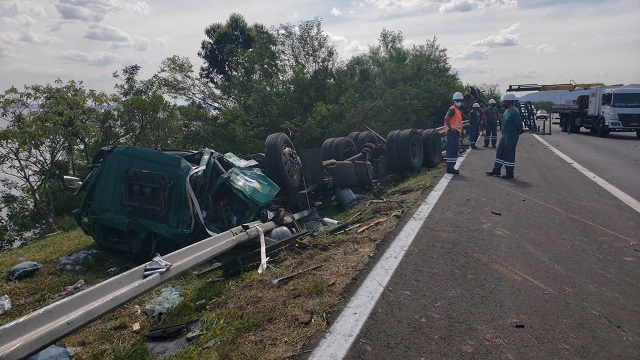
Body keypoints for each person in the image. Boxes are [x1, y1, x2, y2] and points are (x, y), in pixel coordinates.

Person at [486, 93, 524, 179]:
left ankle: (509, 173)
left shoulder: (514, 112)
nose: (503, 103)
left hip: (511, 137)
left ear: (509, 102)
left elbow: (519, 125)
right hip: (504, 136)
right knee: (500, 152)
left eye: (504, 102)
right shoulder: (506, 111)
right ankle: (496, 170)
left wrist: (517, 133)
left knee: (509, 154)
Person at [443, 92, 464, 174]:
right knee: (451, 150)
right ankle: (450, 168)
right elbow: (447, 118)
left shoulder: (457, 110)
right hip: (452, 133)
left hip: (455, 132)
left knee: (454, 150)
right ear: (454, 101)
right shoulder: (452, 109)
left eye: (460, 100)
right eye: (458, 100)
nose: (460, 102)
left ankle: (451, 167)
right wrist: (450, 128)